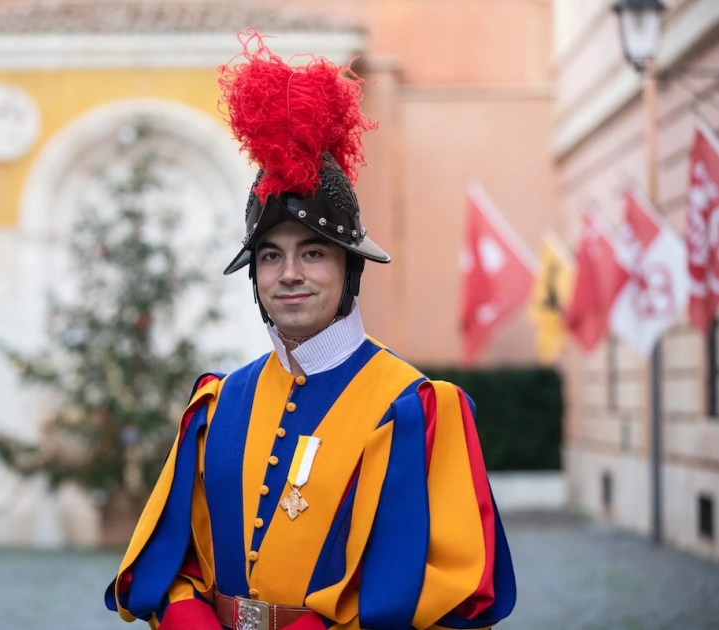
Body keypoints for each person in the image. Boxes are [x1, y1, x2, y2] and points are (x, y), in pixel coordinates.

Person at [105, 29, 515, 630]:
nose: (289, 274)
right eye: (270, 255)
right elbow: (174, 556)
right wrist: (188, 614)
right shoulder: (219, 404)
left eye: (314, 253)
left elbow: (452, 584)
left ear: (350, 267)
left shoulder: (415, 408)